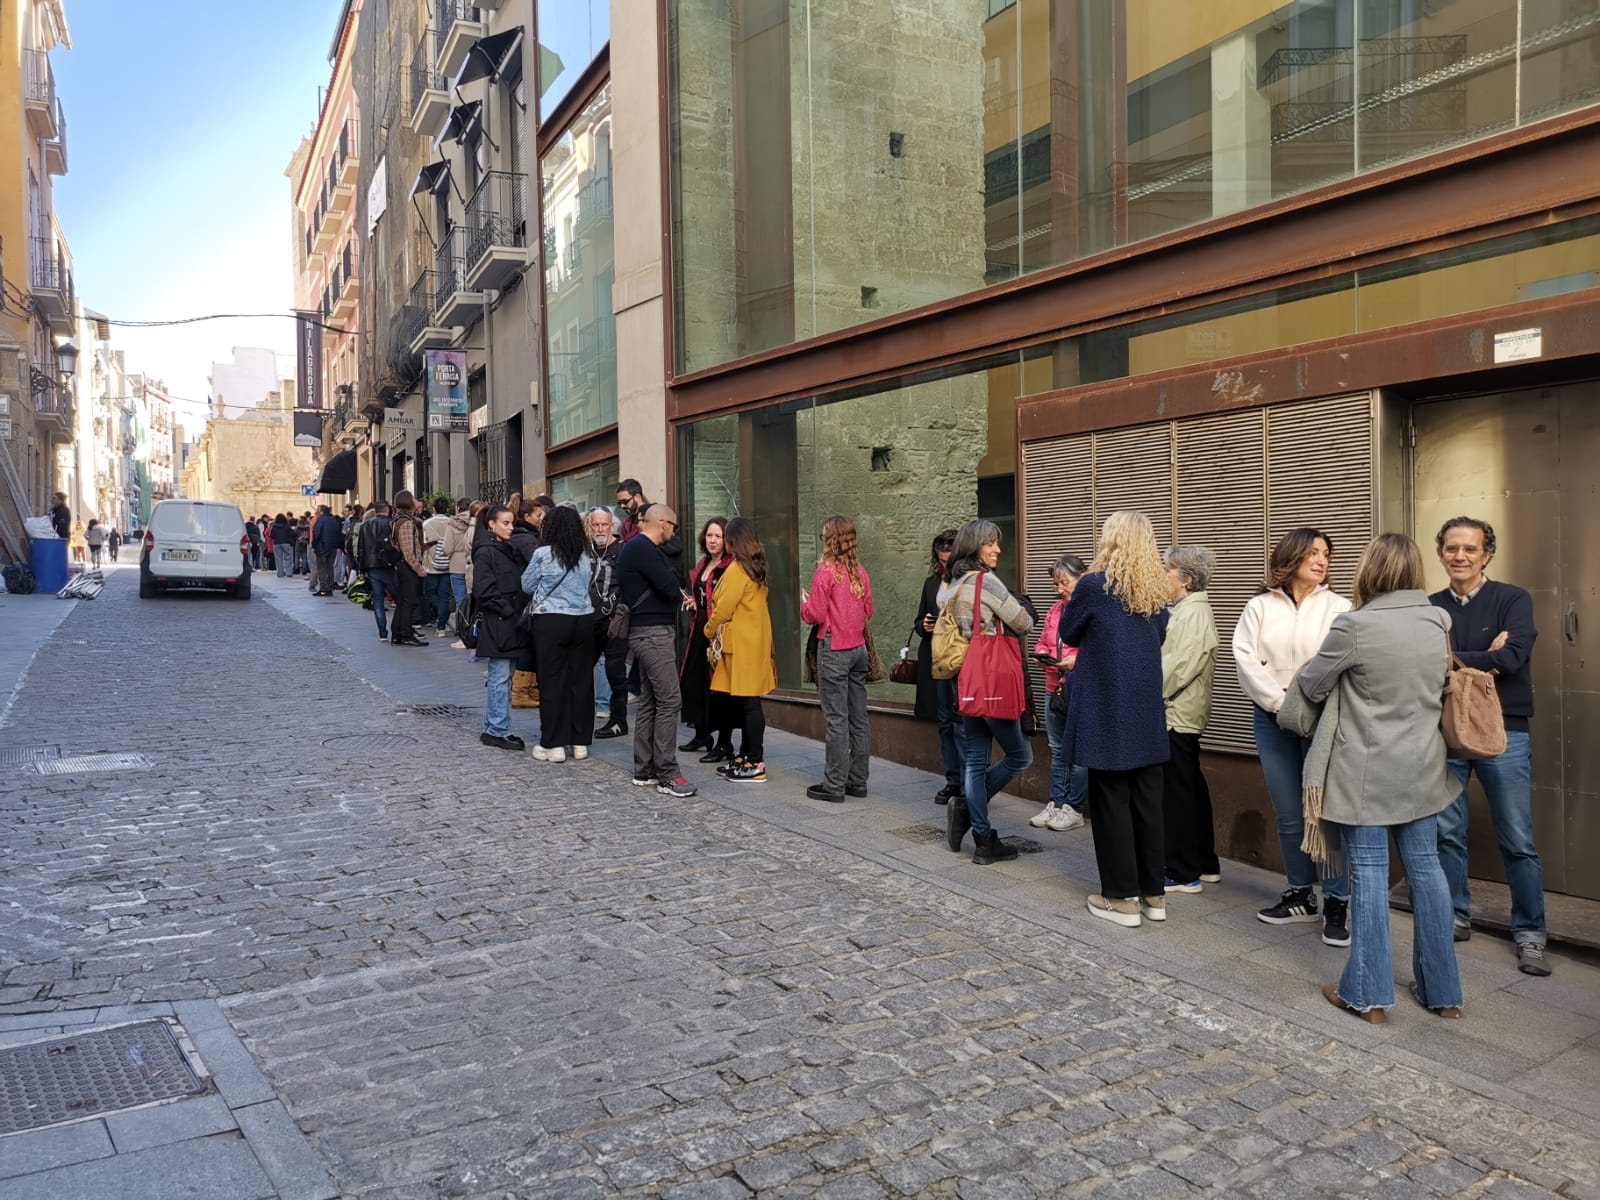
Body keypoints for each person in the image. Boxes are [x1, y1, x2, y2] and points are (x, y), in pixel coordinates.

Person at [1279, 533, 1463, 1022]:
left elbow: (1313, 684)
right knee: (1427, 872)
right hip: (1424, 768)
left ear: (1371, 570)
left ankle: (1368, 994)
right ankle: (1442, 993)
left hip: (1364, 773)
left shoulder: (1354, 626)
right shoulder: (1437, 619)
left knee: (1370, 878)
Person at [1429, 517, 1550, 977]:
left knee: (1517, 838)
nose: (1460, 556)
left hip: (1506, 731)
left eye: (1470, 549)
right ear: (1440, 552)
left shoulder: (1513, 599)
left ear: (1487, 555)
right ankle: (1457, 915)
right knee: (1446, 832)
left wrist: (1455, 659)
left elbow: (1514, 657)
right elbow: (1427, 663)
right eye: (1451, 548)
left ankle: (1530, 933)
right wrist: (1485, 658)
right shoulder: (1431, 607)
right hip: (1446, 732)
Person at [1232, 527, 1353, 947]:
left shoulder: (1341, 608)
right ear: (1292, 557)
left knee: (1325, 809)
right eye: (1313, 553)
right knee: (1288, 810)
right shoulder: (1259, 606)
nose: (1321, 561)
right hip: (1273, 719)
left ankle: (1337, 898)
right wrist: (1280, 704)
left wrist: (1308, 702)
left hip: (1325, 720)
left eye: (1326, 553)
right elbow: (1244, 658)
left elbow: (1343, 664)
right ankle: (1301, 894)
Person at [1058, 511, 1171, 927]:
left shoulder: (1094, 585)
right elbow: (1158, 635)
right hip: (1146, 710)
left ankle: (1121, 898)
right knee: (1147, 804)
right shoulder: (1155, 590)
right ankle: (1153, 896)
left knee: (1111, 803)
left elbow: (1069, 632)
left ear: (1111, 542)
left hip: (1108, 709)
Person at [941, 520, 1033, 865]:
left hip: (966, 681)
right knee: (1021, 756)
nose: (997, 549)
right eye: (991, 544)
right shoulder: (985, 581)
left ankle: (982, 839)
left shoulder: (951, 585)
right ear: (975, 546)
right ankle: (966, 808)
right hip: (992, 681)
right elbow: (1023, 622)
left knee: (976, 761)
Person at [618, 504, 696, 797]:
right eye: (674, 527)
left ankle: (645, 769)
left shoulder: (635, 547)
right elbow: (667, 586)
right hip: (653, 634)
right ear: (663, 523)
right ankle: (667, 774)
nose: (674, 534)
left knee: (651, 700)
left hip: (646, 632)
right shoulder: (643, 548)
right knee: (670, 700)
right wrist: (675, 586)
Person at [800, 515, 875, 801]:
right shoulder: (860, 570)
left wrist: (804, 605)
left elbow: (816, 615)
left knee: (836, 720)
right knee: (858, 718)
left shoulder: (826, 571)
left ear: (830, 540)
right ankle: (857, 781)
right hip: (858, 650)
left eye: (823, 536)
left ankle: (834, 785)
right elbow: (869, 609)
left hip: (834, 649)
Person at [1160, 546, 1221, 892]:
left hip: (1176, 713)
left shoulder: (1191, 614)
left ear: (1185, 579)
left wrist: (1148, 695)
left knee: (1179, 793)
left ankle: (1183, 871)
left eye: (1166, 569)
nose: (1161, 574)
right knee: (1190, 788)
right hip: (1182, 711)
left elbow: (1176, 668)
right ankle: (1204, 861)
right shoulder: (1187, 610)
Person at [521, 506, 595, 763]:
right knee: (581, 681)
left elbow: (526, 585)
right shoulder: (585, 555)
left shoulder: (543, 554)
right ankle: (580, 742)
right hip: (584, 619)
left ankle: (553, 744)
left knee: (552, 682)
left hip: (551, 619)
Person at [706, 517, 778, 783]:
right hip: (754, 641)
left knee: (749, 704)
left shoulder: (738, 569)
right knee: (748, 702)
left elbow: (724, 608)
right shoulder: (756, 567)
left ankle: (754, 760)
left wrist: (708, 629)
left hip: (743, 645)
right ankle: (747, 756)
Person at [1029, 554, 1090, 833]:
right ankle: (1056, 801)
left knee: (1077, 750)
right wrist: (1042, 655)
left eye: (1064, 582)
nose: (1060, 589)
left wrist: (1076, 662)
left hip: (1079, 686)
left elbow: (1096, 650)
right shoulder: (1055, 609)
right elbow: (1044, 640)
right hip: (1053, 684)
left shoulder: (1089, 608)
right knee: (1056, 748)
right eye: (1056, 584)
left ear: (1082, 578)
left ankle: (1074, 808)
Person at [472, 504, 531, 752]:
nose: (510, 527)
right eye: (505, 523)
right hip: (499, 623)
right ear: (491, 524)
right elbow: (484, 591)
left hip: (510, 623)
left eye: (511, 522)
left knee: (505, 676)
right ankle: (496, 729)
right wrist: (508, 611)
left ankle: (498, 727)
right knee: (499, 676)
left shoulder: (506, 549)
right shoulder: (486, 552)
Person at [912, 530, 962, 806]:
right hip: (937, 662)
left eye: (949, 561)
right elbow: (918, 621)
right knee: (944, 725)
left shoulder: (969, 583)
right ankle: (952, 781)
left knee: (962, 726)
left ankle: (969, 782)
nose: (945, 567)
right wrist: (925, 625)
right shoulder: (932, 584)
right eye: (941, 561)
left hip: (962, 663)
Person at [679, 517, 733, 758]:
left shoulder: (729, 567)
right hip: (698, 630)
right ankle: (702, 734)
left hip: (717, 632)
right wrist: (694, 601)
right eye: (710, 535)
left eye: (718, 536)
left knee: (718, 688)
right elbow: (702, 594)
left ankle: (724, 742)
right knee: (694, 683)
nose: (713, 540)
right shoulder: (704, 563)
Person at [587, 507, 629, 737]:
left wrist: (620, 612)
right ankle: (584, 717)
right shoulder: (585, 551)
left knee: (615, 672)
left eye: (604, 524)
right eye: (596, 525)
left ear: (612, 525)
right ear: (590, 526)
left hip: (614, 622)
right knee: (583, 670)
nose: (600, 529)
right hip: (588, 621)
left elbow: (629, 583)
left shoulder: (622, 550)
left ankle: (618, 720)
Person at [389, 491, 429, 647]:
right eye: (413, 499)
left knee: (404, 601)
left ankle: (399, 633)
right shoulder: (406, 523)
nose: (415, 501)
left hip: (402, 566)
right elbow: (407, 551)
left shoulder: (398, 520)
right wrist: (419, 569)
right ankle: (405, 634)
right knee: (409, 601)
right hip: (407, 568)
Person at [356, 503, 397, 642]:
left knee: (378, 599)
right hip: (389, 565)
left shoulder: (365, 525)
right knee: (400, 598)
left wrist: (361, 568)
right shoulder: (391, 524)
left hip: (371, 566)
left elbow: (361, 549)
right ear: (388, 510)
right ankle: (399, 628)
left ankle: (382, 632)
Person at [436, 498, 473, 634]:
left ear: (458, 508)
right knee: (472, 597)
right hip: (472, 561)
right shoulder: (477, 522)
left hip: (456, 564)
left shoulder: (451, 524)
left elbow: (448, 547)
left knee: (460, 599)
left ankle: (462, 630)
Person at [310, 505, 342, 595]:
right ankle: (330, 586)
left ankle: (324, 588)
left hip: (322, 546)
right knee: (330, 567)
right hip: (333, 547)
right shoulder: (334, 520)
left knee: (322, 568)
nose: (316, 512)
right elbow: (339, 533)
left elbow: (316, 533)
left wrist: (314, 545)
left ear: (321, 512)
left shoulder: (320, 520)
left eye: (317, 510)